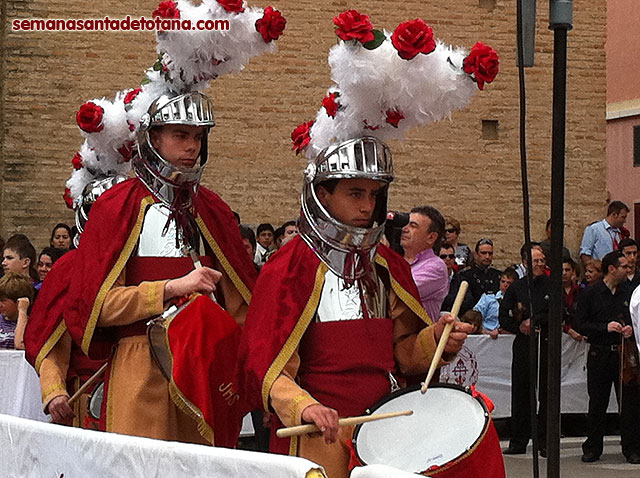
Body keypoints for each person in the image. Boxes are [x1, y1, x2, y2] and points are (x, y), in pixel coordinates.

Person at [65, 90, 257, 445]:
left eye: (198, 136)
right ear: (152, 137)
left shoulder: (212, 210)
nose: (192, 146)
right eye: (180, 135)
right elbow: (98, 305)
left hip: (205, 371)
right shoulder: (116, 207)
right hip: (140, 367)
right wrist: (171, 288)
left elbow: (244, 309)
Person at [574, 250, 640, 464]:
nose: (627, 270)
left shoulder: (627, 293)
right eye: (624, 266)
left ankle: (631, 447)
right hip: (600, 352)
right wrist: (604, 327)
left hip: (622, 354)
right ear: (611, 269)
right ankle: (593, 446)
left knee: (629, 403)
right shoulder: (590, 294)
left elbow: (634, 318)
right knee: (598, 402)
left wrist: (630, 328)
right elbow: (580, 324)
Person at [499, 246, 551, 456]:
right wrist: (518, 326)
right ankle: (518, 440)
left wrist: (537, 320)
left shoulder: (551, 285)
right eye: (535, 261)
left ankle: (545, 441)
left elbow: (559, 312)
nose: (539, 265)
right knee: (521, 391)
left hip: (546, 341)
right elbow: (504, 315)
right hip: (524, 342)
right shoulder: (517, 287)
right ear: (525, 262)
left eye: (542, 261)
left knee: (547, 392)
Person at [401, 205, 450, 321]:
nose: (404, 229)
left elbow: (401, 292)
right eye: (406, 223)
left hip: (418, 337)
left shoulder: (436, 266)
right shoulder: (396, 259)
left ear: (431, 237)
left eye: (413, 226)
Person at [580, 200, 629, 265]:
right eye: (623, 217)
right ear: (614, 215)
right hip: (600, 270)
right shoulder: (594, 229)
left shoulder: (620, 232)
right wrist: (592, 268)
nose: (624, 221)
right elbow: (585, 252)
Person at [474, 268, 517, 339]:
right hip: (487, 335)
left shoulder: (517, 300)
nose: (505, 285)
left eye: (509, 283)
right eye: (503, 282)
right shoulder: (488, 298)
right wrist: (484, 331)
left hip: (509, 336)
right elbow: (475, 317)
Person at [461, 238, 502, 304]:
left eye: (490, 253)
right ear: (476, 254)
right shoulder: (465, 275)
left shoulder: (498, 275)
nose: (487, 256)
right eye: (483, 253)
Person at [0, 272, 33, 350]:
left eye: (3, 300)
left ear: (18, 302)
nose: (0, 305)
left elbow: (20, 345)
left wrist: (22, 311)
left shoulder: (31, 324)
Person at [562, 258, 585, 342]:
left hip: (579, 334)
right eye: (562, 270)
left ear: (573, 272)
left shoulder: (581, 291)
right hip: (560, 334)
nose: (564, 273)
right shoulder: (552, 291)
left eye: (567, 270)